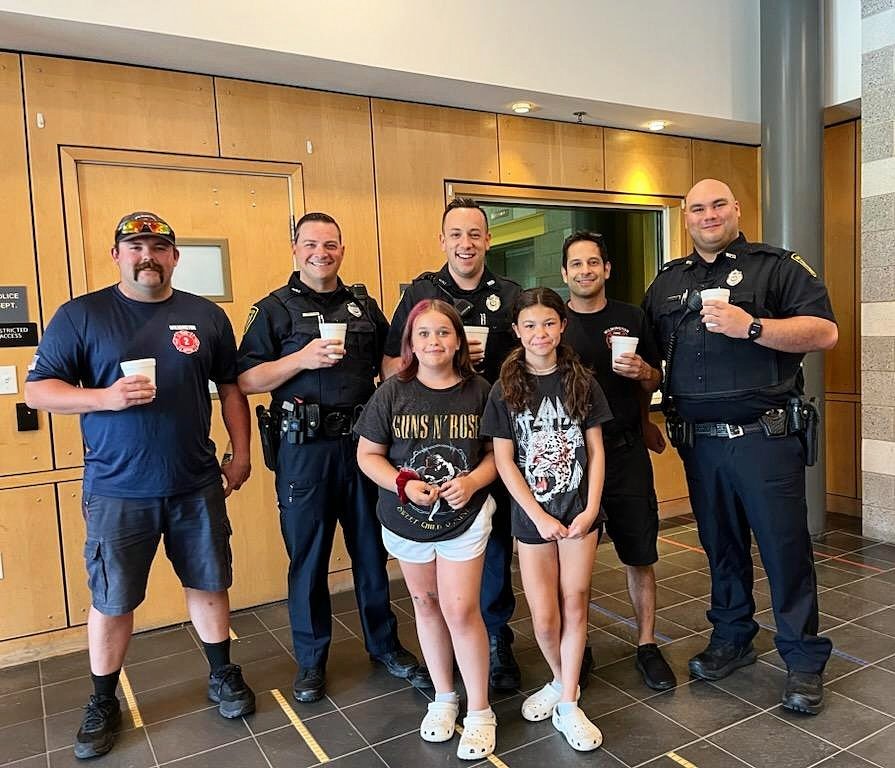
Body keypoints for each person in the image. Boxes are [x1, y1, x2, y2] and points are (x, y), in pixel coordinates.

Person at [24, 212, 256, 760]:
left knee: (208, 582)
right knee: (112, 598)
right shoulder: (82, 315)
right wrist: (104, 397)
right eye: (135, 246)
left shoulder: (204, 315)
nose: (146, 255)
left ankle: (223, 673)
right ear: (116, 255)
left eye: (158, 246)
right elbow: (38, 391)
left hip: (195, 482)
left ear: (174, 256)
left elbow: (230, 388)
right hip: (116, 489)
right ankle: (103, 699)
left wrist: (241, 454)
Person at [642, 179, 838, 714]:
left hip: (766, 440)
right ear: (685, 217)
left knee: (784, 551)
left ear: (737, 210)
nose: (708, 215)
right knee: (720, 547)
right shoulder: (667, 282)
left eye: (717, 206)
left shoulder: (776, 267)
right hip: (700, 445)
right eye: (697, 208)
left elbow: (823, 333)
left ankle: (802, 659)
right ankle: (732, 638)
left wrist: (750, 326)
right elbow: (654, 356)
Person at [237, 212, 417, 704]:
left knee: (371, 553)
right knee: (309, 559)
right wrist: (300, 359)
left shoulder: (363, 304)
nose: (322, 252)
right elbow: (246, 380)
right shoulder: (273, 309)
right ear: (295, 248)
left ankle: (385, 646)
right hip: (304, 452)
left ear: (342, 249)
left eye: (332, 244)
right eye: (312, 243)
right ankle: (312, 662)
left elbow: (387, 361)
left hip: (361, 447)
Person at [382, 197, 522, 691]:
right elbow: (390, 363)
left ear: (488, 240)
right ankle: (446, 660)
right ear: (443, 240)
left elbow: (530, 364)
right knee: (432, 573)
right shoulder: (420, 292)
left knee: (494, 545)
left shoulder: (510, 294)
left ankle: (496, 641)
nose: (466, 243)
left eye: (475, 234)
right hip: (429, 442)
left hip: (491, 441)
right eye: (455, 234)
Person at [356, 299, 498, 760]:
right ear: (410, 343)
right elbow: (368, 455)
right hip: (405, 522)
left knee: (460, 610)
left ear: (458, 340)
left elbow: (501, 453)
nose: (433, 342)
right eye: (423, 334)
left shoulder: (481, 391)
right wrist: (402, 482)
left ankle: (479, 710)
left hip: (465, 519)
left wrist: (474, 480)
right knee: (425, 603)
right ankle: (443, 697)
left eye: (443, 333)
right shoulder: (391, 393)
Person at [481, 287, 611, 752]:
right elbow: (503, 459)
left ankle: (569, 701)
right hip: (531, 519)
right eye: (530, 325)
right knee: (542, 615)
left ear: (562, 326)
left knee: (575, 602)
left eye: (549, 323)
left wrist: (592, 508)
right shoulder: (505, 387)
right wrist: (535, 515)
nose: (541, 333)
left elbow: (595, 451)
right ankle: (560, 681)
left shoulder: (583, 381)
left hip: (579, 514)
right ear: (516, 331)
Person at [560, 231, 676, 691]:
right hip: (571, 460)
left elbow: (655, 379)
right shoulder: (555, 322)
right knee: (574, 561)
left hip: (625, 451)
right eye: (576, 264)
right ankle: (578, 647)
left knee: (639, 553)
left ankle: (647, 644)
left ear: (607, 269)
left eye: (593, 262)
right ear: (565, 273)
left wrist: (646, 373)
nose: (585, 271)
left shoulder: (632, 317)